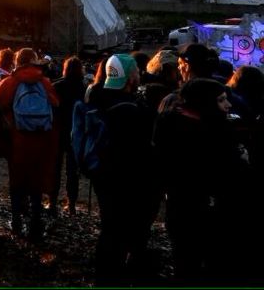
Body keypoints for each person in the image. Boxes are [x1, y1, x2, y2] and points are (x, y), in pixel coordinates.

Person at [154, 77, 253, 285]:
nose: (228, 105)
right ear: (205, 103)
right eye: (221, 100)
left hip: (180, 210)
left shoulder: (170, 125)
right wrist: (239, 159)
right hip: (206, 213)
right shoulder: (211, 133)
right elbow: (225, 175)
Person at [87, 54, 159, 285]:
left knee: (109, 229)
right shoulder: (133, 110)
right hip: (128, 181)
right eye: (137, 71)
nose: (140, 74)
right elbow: (144, 151)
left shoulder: (97, 98)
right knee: (122, 234)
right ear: (129, 77)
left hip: (102, 176)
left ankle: (103, 277)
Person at [0, 48, 59, 241]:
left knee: (16, 182)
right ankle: (36, 223)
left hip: (17, 141)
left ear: (17, 62)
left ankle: (16, 222)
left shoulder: (9, 83)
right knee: (36, 182)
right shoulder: (45, 83)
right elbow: (56, 104)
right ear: (34, 62)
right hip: (41, 140)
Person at [50, 56, 84, 215]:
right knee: (72, 172)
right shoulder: (83, 88)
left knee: (55, 168)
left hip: (57, 131)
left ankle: (52, 201)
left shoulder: (56, 86)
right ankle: (71, 204)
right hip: (75, 133)